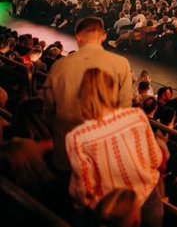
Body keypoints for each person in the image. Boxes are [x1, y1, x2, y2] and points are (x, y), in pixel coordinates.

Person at [65, 68, 164, 227]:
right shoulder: (137, 116)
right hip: (148, 202)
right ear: (113, 90)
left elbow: (84, 191)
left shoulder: (77, 137)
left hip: (111, 213)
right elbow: (156, 159)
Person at [43, 16, 133, 171]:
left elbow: (48, 112)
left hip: (66, 153)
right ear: (104, 36)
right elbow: (125, 108)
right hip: (102, 156)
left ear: (78, 37)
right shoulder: (121, 64)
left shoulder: (59, 67)